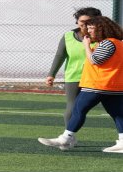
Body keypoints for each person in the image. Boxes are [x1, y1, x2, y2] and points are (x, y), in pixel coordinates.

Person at [39, 16, 123, 154]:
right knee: (118, 114)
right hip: (114, 86)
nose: (88, 32)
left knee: (79, 110)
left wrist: (86, 46)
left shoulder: (108, 43)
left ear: (102, 29)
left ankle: (66, 138)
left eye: (91, 28)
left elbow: (95, 60)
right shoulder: (119, 43)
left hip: (98, 85)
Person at [45, 7, 102, 126]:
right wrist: (51, 74)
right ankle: (68, 136)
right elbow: (60, 56)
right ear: (77, 22)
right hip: (74, 77)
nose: (85, 25)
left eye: (89, 22)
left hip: (98, 78)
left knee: (113, 106)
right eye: (82, 22)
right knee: (72, 105)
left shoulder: (104, 38)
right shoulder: (68, 36)